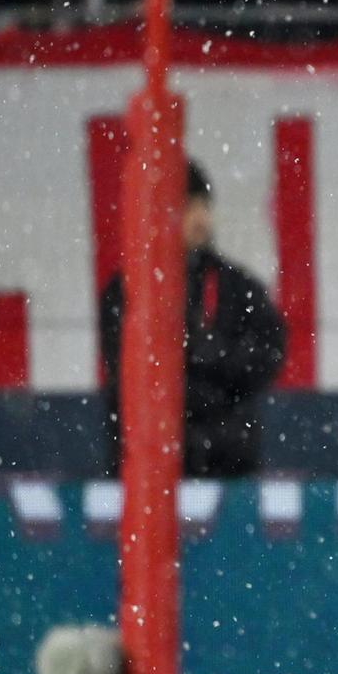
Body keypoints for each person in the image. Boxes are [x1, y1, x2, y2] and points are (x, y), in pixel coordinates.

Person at [100, 160, 287, 478]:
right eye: (187, 207)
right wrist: (204, 373)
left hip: (228, 465)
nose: (200, 218)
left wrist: (211, 361)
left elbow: (270, 351)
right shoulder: (129, 290)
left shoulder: (235, 286)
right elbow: (130, 371)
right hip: (151, 467)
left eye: (204, 206)